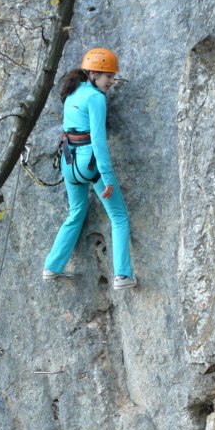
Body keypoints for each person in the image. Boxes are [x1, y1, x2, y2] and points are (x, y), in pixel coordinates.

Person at [42, 48, 137, 290]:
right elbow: (98, 141)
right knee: (118, 216)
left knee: (76, 212)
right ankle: (123, 275)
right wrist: (108, 178)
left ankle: (52, 266)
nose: (112, 81)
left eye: (113, 76)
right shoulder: (96, 98)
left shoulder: (73, 92)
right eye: (108, 76)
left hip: (69, 163)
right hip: (89, 164)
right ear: (94, 74)